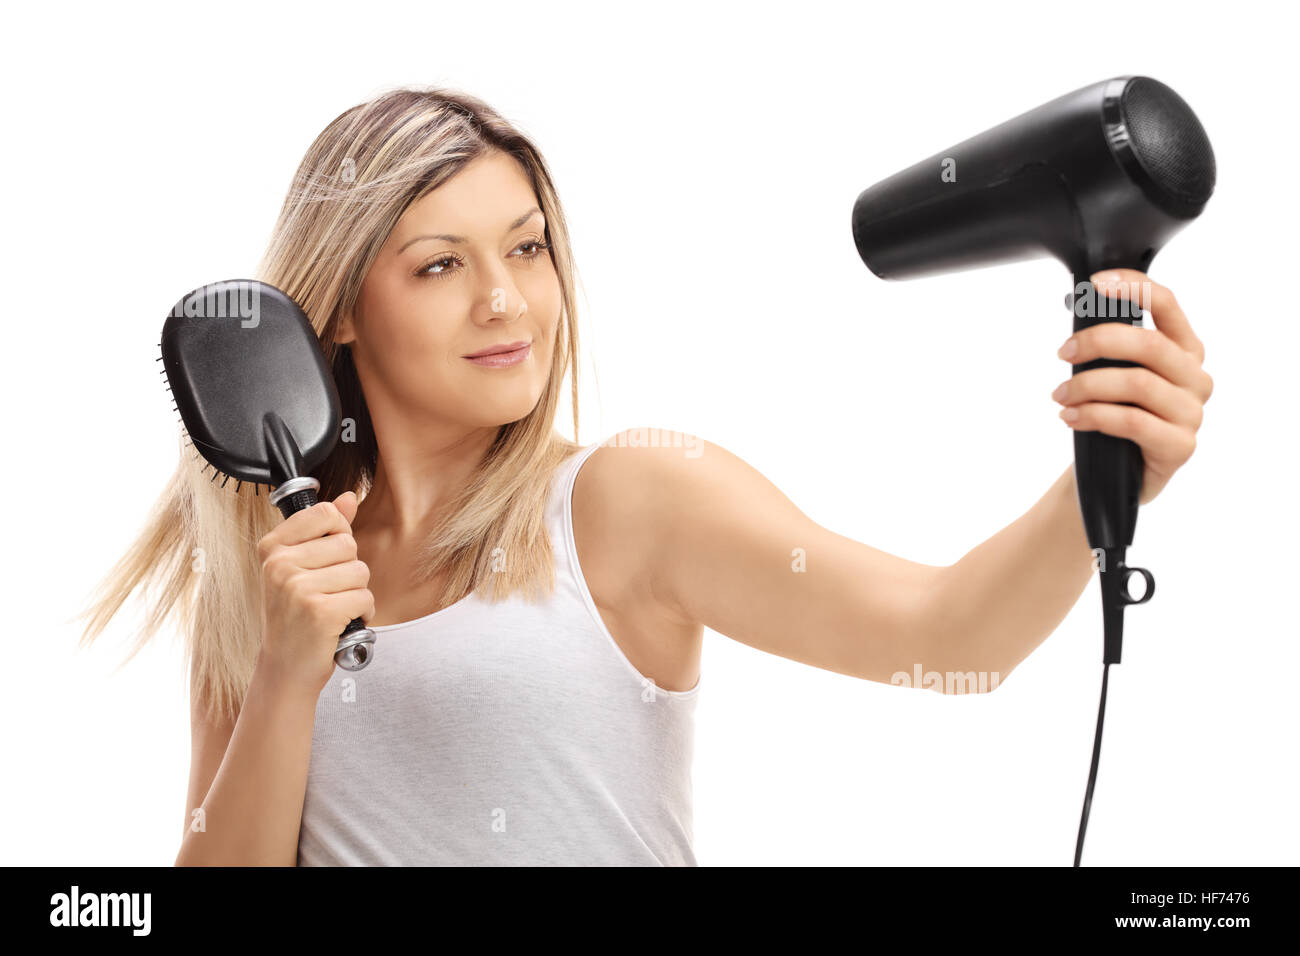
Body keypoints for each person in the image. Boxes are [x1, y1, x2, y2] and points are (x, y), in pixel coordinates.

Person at [76, 86, 1213, 866]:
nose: (505, 301)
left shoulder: (625, 502)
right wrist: (284, 672)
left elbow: (951, 638)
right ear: (335, 311)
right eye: (439, 264)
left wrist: (1100, 483)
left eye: (526, 247)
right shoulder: (271, 573)